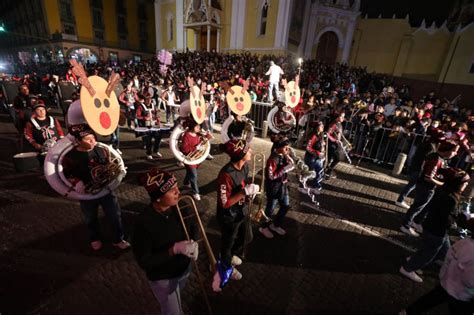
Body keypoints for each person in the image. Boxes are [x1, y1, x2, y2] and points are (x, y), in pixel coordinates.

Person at [132, 167, 198, 315]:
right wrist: (173, 250)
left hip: (183, 269)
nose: (178, 192)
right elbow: (144, 261)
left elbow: (193, 224)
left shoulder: (181, 206)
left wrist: (195, 241)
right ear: (158, 197)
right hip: (163, 277)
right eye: (171, 190)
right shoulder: (144, 222)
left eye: (176, 187)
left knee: (177, 298)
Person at [62, 124, 130, 251]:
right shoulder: (70, 156)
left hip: (105, 190)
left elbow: (109, 164)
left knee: (115, 216)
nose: (93, 141)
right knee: (90, 218)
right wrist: (76, 182)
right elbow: (66, 174)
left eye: (93, 137)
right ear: (78, 141)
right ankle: (95, 238)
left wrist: (118, 172)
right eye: (88, 139)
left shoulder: (101, 150)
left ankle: (118, 239)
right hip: (87, 193)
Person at [400, 168, 470, 283]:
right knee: (429, 253)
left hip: (431, 227)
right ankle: (408, 268)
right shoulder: (451, 199)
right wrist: (461, 218)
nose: (466, 185)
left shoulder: (443, 190)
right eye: (465, 183)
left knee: (444, 251)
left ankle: (414, 260)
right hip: (437, 231)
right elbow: (447, 219)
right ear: (457, 184)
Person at [400, 218, 474, 315]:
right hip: (461, 294)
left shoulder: (463, 242)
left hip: (446, 282)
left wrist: (443, 275)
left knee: (430, 299)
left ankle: (407, 312)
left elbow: (448, 258)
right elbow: (469, 280)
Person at [213, 138, 259, 291]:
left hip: (241, 211)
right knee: (227, 245)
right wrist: (243, 192)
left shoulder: (245, 167)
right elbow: (224, 202)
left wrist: (249, 194)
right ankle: (225, 266)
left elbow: (243, 187)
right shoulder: (225, 174)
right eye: (248, 150)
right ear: (240, 155)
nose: (251, 151)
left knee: (248, 237)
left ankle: (229, 256)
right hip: (229, 216)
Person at [400, 141, 459, 237]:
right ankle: (405, 225)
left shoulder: (436, 156)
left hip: (424, 186)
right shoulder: (436, 159)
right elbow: (428, 177)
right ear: (447, 150)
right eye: (454, 151)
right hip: (426, 187)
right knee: (416, 207)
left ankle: (413, 222)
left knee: (420, 207)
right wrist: (442, 184)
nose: (455, 154)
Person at [259, 136, 295, 239]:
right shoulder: (272, 159)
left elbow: (288, 165)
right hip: (274, 187)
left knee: (285, 205)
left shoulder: (283, 155)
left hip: (283, 186)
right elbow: (271, 176)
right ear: (278, 147)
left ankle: (275, 225)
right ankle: (263, 227)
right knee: (270, 209)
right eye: (285, 147)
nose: (287, 150)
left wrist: (289, 160)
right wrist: (284, 169)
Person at [180, 120, 204, 200]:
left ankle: (186, 183)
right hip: (189, 159)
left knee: (190, 172)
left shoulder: (197, 136)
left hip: (196, 158)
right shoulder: (186, 135)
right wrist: (195, 148)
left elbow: (199, 144)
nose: (198, 128)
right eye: (197, 126)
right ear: (192, 126)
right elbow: (184, 149)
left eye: (199, 127)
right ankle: (195, 192)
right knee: (194, 175)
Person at [300, 121, 326, 193]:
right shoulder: (313, 136)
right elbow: (308, 147)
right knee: (308, 172)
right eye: (321, 126)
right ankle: (302, 186)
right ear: (317, 128)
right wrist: (317, 153)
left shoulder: (320, 135)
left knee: (319, 172)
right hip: (311, 157)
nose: (323, 127)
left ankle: (315, 186)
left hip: (318, 158)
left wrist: (322, 152)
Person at [136, 93, 163, 160]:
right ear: (144, 100)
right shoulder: (141, 107)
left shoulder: (153, 105)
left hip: (154, 125)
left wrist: (158, 122)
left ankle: (156, 151)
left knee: (158, 137)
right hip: (145, 126)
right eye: (147, 99)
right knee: (148, 140)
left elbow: (156, 115)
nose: (149, 101)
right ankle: (149, 153)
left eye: (150, 99)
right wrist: (144, 118)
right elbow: (137, 116)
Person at [325, 112, 346, 179]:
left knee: (337, 158)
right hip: (331, 144)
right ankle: (325, 172)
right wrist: (335, 140)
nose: (343, 118)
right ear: (337, 117)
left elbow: (339, 135)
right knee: (330, 159)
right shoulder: (333, 124)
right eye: (341, 116)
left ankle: (329, 171)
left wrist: (341, 141)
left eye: (343, 117)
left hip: (336, 144)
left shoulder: (340, 125)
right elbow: (327, 134)